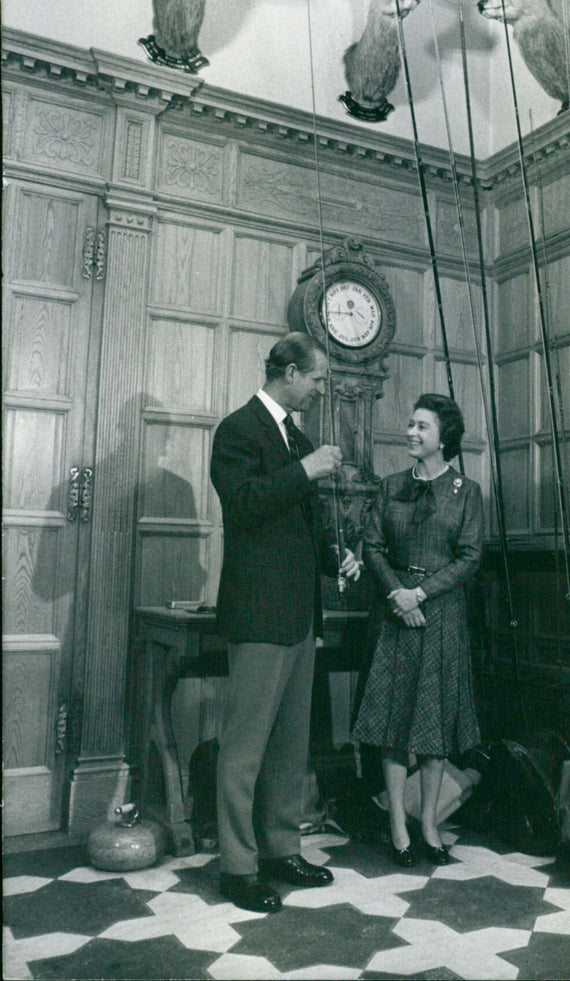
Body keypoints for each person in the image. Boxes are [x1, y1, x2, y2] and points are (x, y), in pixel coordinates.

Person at [210, 332, 361, 913]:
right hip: (257, 616)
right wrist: (308, 470)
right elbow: (244, 505)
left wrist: (334, 555)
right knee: (245, 749)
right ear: (291, 372)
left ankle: (280, 848)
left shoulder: (294, 436)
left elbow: (301, 525)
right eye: (317, 378)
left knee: (289, 747)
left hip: (299, 617)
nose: (320, 389)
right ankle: (238, 867)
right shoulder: (238, 430)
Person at [351, 393, 484, 866]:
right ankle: (397, 829)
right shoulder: (390, 487)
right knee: (392, 726)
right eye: (411, 424)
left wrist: (421, 595)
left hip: (440, 617)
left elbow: (470, 557)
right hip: (395, 616)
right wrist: (397, 596)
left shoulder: (466, 492)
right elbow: (373, 547)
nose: (410, 432)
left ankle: (428, 825)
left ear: (443, 437)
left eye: (421, 427)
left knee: (433, 727)